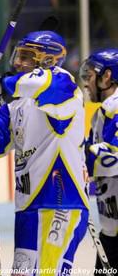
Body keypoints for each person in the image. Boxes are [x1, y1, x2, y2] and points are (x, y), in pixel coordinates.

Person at [0, 31, 89, 275]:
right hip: (29, 206)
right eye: (18, 55)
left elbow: (41, 83)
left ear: (49, 60)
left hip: (56, 204)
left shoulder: (64, 85)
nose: (17, 62)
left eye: (27, 56)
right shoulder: (17, 102)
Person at [80, 48, 118, 271]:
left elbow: (113, 153)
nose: (85, 82)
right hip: (111, 229)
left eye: (90, 76)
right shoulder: (102, 112)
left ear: (107, 77)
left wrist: (78, 161)